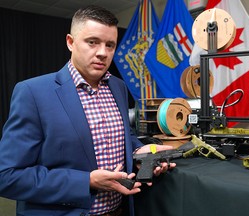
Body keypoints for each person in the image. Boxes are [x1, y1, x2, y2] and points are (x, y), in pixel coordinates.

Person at [0, 5, 175, 216]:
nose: (102, 53)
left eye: (110, 45)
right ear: (70, 43)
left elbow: (124, 136)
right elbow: (8, 175)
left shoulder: (117, 86)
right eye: (92, 42)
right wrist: (86, 182)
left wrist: (140, 152)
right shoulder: (32, 93)